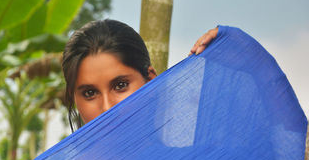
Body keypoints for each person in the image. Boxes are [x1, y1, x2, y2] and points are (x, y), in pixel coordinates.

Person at [62, 19, 217, 131]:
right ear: (73, 98)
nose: (107, 108)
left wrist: (235, 55)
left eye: (120, 86)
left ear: (150, 80)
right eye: (90, 93)